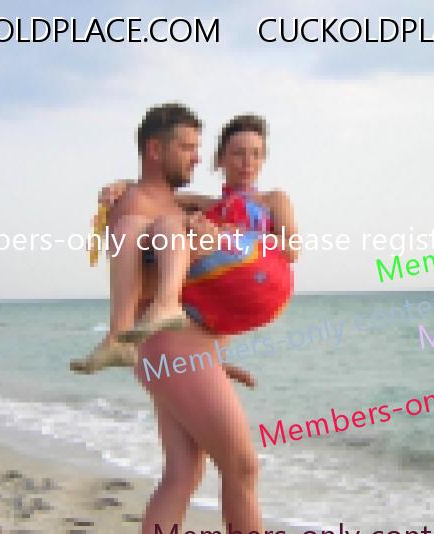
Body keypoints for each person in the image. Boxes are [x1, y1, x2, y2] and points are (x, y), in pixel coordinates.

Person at [84, 103, 291, 533]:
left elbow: (187, 287)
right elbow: (140, 284)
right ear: (155, 149)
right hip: (176, 349)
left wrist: (212, 360)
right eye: (187, 147)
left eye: (198, 148)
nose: (196, 158)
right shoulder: (139, 204)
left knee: (183, 473)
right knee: (242, 467)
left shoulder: (170, 204)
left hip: (175, 351)